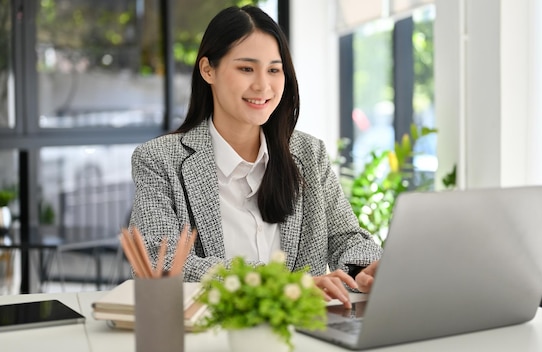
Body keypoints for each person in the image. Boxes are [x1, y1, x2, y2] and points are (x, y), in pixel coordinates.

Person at [129, 5, 382, 307]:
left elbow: (345, 237)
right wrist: (277, 285)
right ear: (208, 69)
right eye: (246, 68)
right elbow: (161, 262)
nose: (263, 86)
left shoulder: (308, 154)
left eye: (274, 70)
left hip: (303, 338)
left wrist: (364, 268)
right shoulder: (159, 160)